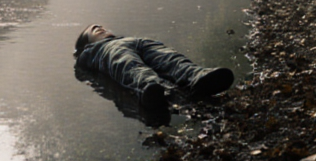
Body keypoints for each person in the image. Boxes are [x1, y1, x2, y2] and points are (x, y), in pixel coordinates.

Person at [73, 24, 234, 111]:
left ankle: (196, 76)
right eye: (94, 29)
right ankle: (148, 88)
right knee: (129, 65)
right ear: (87, 43)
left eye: (102, 26)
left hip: (137, 41)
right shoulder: (92, 51)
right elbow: (81, 66)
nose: (101, 28)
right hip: (111, 49)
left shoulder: (125, 38)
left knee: (169, 58)